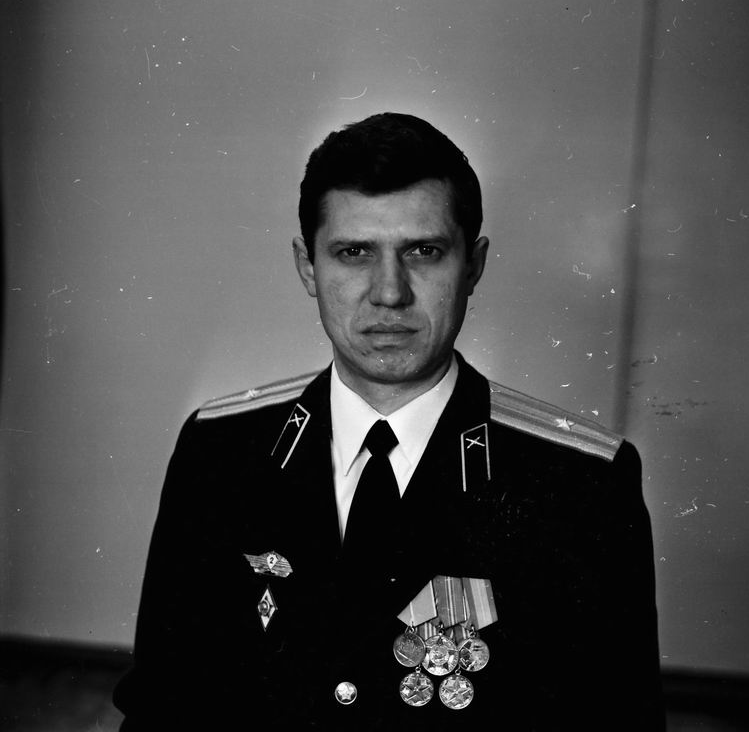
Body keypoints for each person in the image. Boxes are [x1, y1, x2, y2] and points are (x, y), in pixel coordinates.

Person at [114, 112, 664, 730]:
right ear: (307, 266)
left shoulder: (581, 483)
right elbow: (160, 708)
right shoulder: (219, 451)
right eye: (353, 253)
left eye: (424, 252)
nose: (389, 293)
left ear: (473, 265)